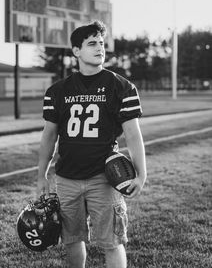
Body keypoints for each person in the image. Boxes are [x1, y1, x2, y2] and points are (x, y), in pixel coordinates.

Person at [36, 20, 147, 268]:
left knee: (112, 242)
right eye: (92, 44)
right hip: (67, 178)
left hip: (105, 178)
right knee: (72, 241)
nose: (100, 48)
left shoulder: (121, 87)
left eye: (101, 43)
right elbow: (49, 136)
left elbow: (132, 134)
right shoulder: (57, 91)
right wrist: (41, 174)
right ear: (76, 51)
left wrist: (141, 174)